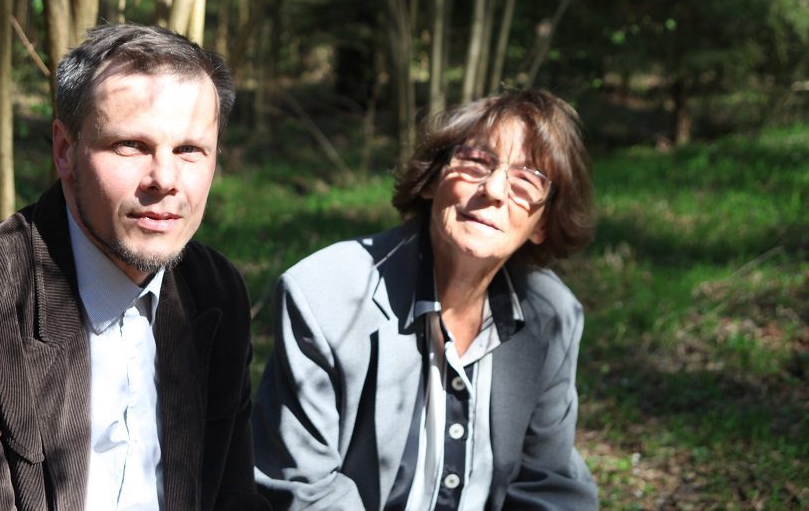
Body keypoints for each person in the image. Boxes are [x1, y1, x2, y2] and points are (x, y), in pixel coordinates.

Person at [0, 24, 268, 510]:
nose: (165, 179)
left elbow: (232, 498)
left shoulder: (214, 293)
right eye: (131, 145)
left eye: (189, 150)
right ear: (65, 151)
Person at [253, 89, 599, 510]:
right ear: (434, 178)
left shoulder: (552, 317)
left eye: (527, 178)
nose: (493, 189)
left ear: (543, 223)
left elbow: (548, 486)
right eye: (477, 162)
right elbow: (302, 488)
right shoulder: (324, 297)